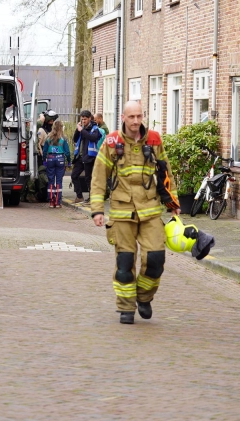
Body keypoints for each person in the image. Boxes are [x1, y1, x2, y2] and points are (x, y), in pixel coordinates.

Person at [90, 101, 181, 325]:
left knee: (156, 258)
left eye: (139, 116)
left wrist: (173, 203)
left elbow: (165, 172)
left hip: (150, 210)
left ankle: (144, 297)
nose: (136, 121)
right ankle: (126, 307)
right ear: (123, 117)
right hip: (122, 211)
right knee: (124, 263)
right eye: (131, 117)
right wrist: (97, 210)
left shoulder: (154, 140)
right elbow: (99, 176)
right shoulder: (112, 142)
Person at [71, 110, 102, 204]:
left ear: (89, 118)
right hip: (80, 157)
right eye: (82, 119)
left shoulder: (95, 128)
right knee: (74, 175)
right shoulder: (82, 128)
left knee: (89, 178)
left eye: (85, 119)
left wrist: (82, 130)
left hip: (89, 156)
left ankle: (92, 198)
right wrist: (78, 129)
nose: (83, 121)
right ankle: (79, 196)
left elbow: (93, 138)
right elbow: (75, 139)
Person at [42, 120, 71, 208]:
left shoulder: (48, 137)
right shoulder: (64, 138)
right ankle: (58, 202)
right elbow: (67, 152)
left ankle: (51, 202)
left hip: (50, 159)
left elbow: (44, 151)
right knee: (59, 181)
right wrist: (69, 161)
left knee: (51, 180)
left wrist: (44, 160)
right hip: (60, 159)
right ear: (61, 127)